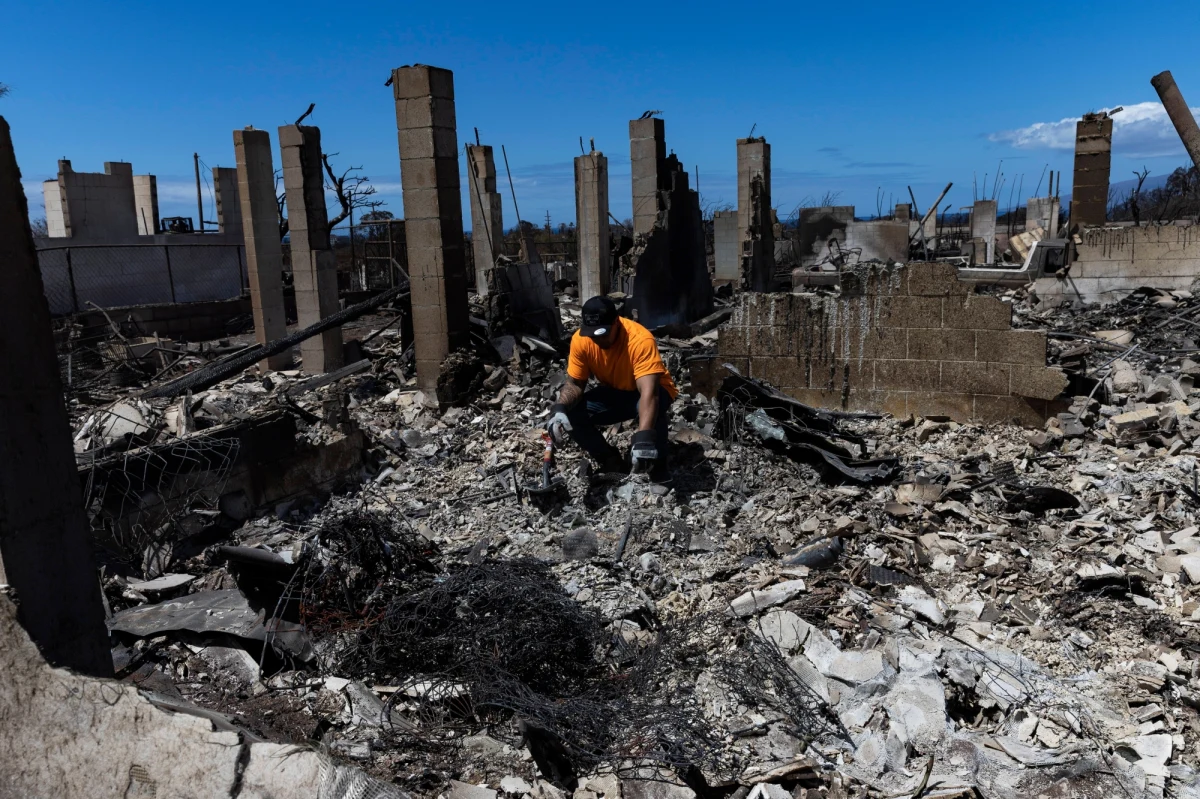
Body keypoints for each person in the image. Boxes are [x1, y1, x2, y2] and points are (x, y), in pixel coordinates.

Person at [547, 296, 677, 479]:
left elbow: (649, 392)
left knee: (651, 410)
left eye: (602, 334)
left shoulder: (639, 340)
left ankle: (659, 468)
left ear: (617, 322)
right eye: (592, 335)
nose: (597, 340)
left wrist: (643, 437)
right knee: (572, 412)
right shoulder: (581, 340)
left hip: (654, 390)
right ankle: (609, 459)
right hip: (618, 391)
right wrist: (559, 408)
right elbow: (576, 383)